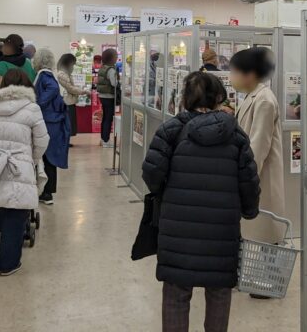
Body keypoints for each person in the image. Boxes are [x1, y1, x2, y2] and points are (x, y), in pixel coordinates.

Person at [142, 72, 260, 332]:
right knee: (219, 290)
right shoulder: (236, 136)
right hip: (221, 230)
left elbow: (151, 174)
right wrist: (249, 211)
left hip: (177, 228)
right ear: (219, 98)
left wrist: (166, 193)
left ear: (185, 98)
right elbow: (249, 181)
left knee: (176, 292)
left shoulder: (170, 131)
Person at [0, 69, 49, 276]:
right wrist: (30, 157)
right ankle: (8, 263)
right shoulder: (32, 108)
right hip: (18, 165)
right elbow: (42, 141)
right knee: (15, 214)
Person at [229, 48, 286, 261]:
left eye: (234, 72)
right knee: (259, 230)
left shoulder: (264, 100)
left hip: (261, 177)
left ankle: (265, 282)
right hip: (255, 175)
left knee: (265, 232)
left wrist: (245, 179)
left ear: (250, 74)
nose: (231, 77)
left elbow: (258, 146)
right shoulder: (254, 97)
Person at [33, 48, 70, 204]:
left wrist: (39, 102)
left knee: (46, 157)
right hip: (52, 120)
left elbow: (53, 90)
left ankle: (46, 193)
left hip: (48, 121)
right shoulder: (48, 75)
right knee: (48, 158)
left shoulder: (44, 75)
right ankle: (46, 192)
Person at [57, 53, 87, 143]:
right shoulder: (62, 74)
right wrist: (82, 91)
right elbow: (70, 88)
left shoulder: (65, 73)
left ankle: (67, 141)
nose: (73, 67)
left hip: (70, 101)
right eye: (72, 64)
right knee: (68, 122)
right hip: (67, 102)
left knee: (70, 123)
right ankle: (65, 141)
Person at [97, 48, 118, 148]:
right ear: (111, 58)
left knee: (105, 118)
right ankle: (106, 140)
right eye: (115, 56)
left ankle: (103, 139)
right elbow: (114, 83)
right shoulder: (111, 70)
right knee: (108, 119)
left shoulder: (103, 67)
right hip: (109, 97)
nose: (117, 58)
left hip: (102, 96)